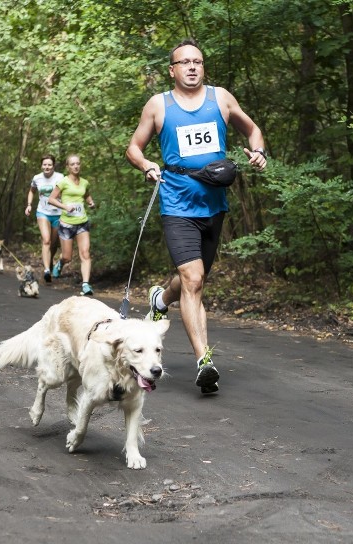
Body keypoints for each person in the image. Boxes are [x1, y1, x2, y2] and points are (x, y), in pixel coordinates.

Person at [125, 38, 267, 394]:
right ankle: (204, 362)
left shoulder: (221, 98)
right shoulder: (159, 105)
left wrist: (258, 151)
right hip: (176, 203)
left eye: (197, 62)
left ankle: (160, 300)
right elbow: (133, 146)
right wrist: (146, 164)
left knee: (192, 282)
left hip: (214, 205)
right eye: (184, 62)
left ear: (203, 67)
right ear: (172, 70)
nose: (191, 67)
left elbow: (252, 129)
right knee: (193, 279)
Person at [47, 154, 96, 296]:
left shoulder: (85, 182)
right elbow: (51, 199)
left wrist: (90, 202)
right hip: (67, 224)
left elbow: (86, 194)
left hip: (82, 222)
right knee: (67, 256)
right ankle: (60, 263)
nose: (76, 166)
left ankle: (86, 284)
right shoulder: (63, 182)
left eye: (78, 163)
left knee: (85, 253)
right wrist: (64, 207)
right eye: (72, 164)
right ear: (68, 167)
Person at [25, 154, 64, 282]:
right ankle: (47, 269)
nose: (47, 167)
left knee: (53, 244)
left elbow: (65, 192)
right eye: (45, 164)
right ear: (41, 165)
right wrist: (29, 205)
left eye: (49, 165)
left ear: (53, 166)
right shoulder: (37, 178)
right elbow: (32, 191)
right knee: (46, 240)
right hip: (43, 212)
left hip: (58, 213)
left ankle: (50, 260)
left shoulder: (60, 177)